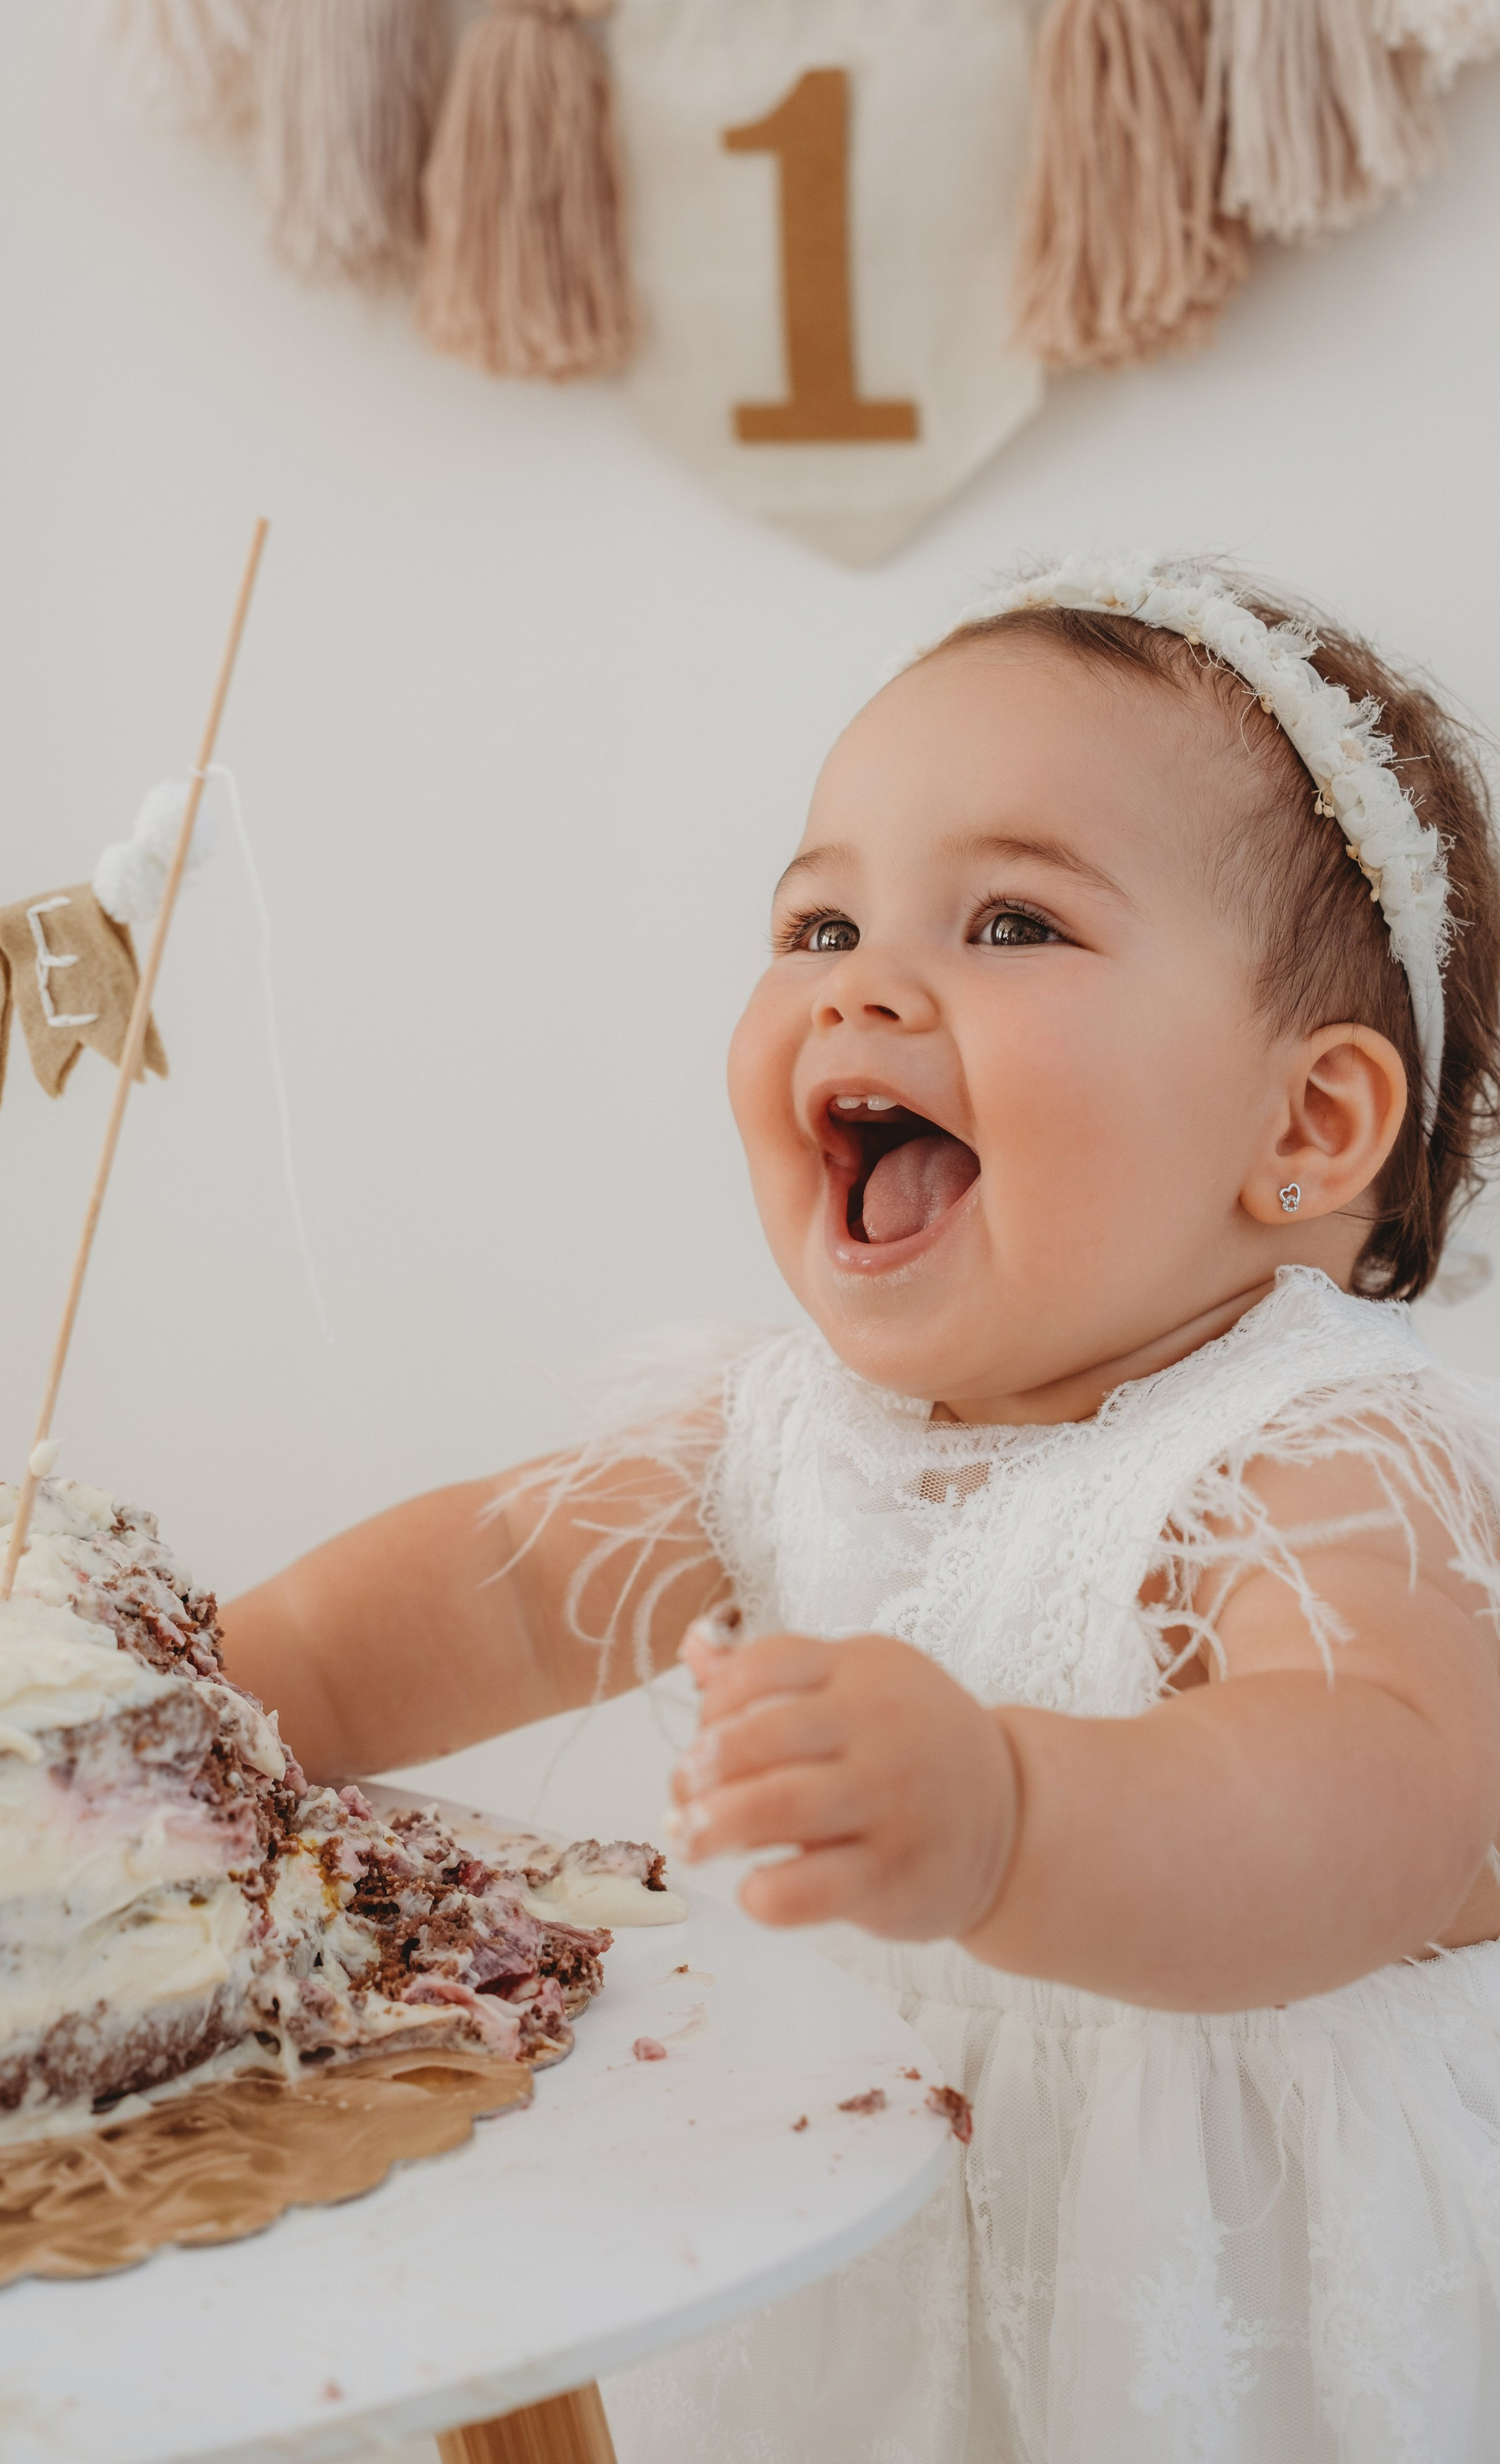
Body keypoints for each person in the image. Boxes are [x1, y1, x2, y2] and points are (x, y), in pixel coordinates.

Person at [223, 556, 1500, 2461]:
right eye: (817, 922)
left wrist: (1014, 1817)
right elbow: (479, 1588)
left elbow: (1392, 1803)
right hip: (861, 2272)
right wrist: (184, 1717)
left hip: (1213, 2332)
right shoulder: (783, 1434)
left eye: (1009, 920)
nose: (866, 985)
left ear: (1306, 1130)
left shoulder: (1309, 1447)